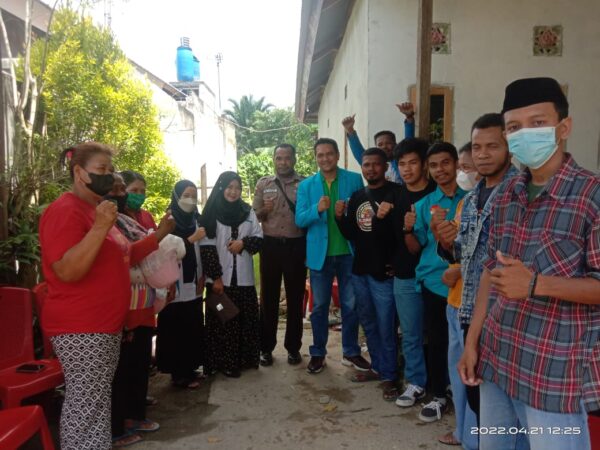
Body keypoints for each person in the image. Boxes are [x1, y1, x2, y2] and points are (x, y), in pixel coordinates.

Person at [458, 77, 600, 450]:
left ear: (564, 127)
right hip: (497, 360)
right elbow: (490, 273)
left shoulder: (592, 196)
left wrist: (536, 284)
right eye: (514, 127)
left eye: (537, 123)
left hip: (553, 375)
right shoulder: (507, 193)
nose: (525, 134)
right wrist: (472, 342)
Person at [39, 142, 159, 450]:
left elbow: (124, 256)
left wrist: (159, 235)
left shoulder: (97, 210)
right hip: (81, 327)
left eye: (111, 169)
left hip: (104, 326)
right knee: (86, 405)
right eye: (101, 169)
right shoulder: (65, 210)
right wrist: (100, 227)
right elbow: (66, 270)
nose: (108, 176)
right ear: (80, 173)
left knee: (96, 403)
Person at [437, 115, 519, 446]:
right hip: (469, 312)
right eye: (476, 147)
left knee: (509, 415)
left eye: (492, 146)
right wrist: (446, 243)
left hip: (506, 320)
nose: (482, 154)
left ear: (509, 148)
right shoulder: (471, 200)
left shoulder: (519, 193)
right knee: (478, 401)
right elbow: (464, 254)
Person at [106, 173, 175, 447]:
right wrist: (160, 234)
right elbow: (131, 254)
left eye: (126, 189)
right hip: (126, 302)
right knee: (123, 369)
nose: (124, 194)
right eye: (123, 189)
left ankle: (135, 415)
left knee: (138, 362)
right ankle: (118, 424)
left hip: (145, 299)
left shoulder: (136, 218)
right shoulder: (110, 222)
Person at [403, 142, 466, 422]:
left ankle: (463, 394)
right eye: (434, 165)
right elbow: (414, 248)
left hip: (466, 283)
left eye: (445, 163)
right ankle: (438, 395)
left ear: (456, 164)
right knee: (438, 341)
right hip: (434, 281)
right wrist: (409, 229)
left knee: (464, 343)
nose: (440, 170)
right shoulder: (423, 205)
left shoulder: (472, 199)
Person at [295, 137, 368, 374]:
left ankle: (351, 352)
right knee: (319, 307)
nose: (325, 158)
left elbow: (362, 214)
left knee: (350, 305)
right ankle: (318, 353)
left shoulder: (354, 179)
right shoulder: (306, 186)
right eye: (320, 155)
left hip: (349, 252)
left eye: (329, 154)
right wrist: (317, 209)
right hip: (320, 255)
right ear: (315, 158)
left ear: (337, 155)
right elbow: (300, 219)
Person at [335, 147, 401, 400]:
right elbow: (352, 233)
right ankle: (378, 367)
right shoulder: (358, 196)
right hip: (360, 270)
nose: (371, 169)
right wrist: (339, 217)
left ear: (385, 167)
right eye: (366, 165)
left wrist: (396, 262)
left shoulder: (396, 193)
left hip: (384, 274)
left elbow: (401, 232)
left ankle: (390, 376)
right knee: (369, 324)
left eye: (376, 164)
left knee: (386, 326)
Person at [200, 171, 263, 378]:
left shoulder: (247, 211)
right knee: (223, 320)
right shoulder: (211, 213)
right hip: (220, 282)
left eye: (237, 188)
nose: (233, 192)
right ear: (221, 188)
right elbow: (207, 249)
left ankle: (244, 361)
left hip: (243, 280)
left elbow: (259, 238)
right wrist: (216, 278)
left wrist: (243, 243)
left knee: (245, 320)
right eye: (229, 187)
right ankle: (223, 363)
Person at [390, 138, 436, 409]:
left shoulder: (438, 194)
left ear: (424, 164)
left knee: (440, 333)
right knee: (410, 334)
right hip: (405, 275)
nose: (407, 169)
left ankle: (443, 384)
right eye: (402, 164)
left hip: (436, 276)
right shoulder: (395, 197)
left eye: (413, 163)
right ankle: (416, 382)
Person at [253, 144, 306, 366]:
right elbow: (254, 216)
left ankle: (293, 348)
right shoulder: (263, 184)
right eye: (279, 158)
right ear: (274, 160)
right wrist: (264, 210)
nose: (283, 162)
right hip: (270, 246)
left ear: (294, 160)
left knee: (295, 298)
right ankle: (266, 348)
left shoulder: (305, 184)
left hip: (296, 245)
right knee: (268, 298)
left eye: (287, 158)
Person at [156, 180, 206, 389]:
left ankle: (190, 367)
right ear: (176, 197)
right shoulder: (169, 221)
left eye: (194, 196)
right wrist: (191, 239)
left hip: (193, 280)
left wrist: (203, 275)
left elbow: (202, 251)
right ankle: (178, 374)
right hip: (173, 281)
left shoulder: (196, 219)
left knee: (192, 325)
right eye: (186, 195)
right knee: (175, 328)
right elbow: (164, 250)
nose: (190, 200)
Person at [341, 102, 416, 183]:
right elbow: (358, 151)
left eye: (388, 143)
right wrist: (350, 130)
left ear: (395, 144)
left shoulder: (401, 160)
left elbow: (409, 142)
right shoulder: (372, 163)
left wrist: (409, 117)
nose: (384, 146)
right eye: (380, 144)